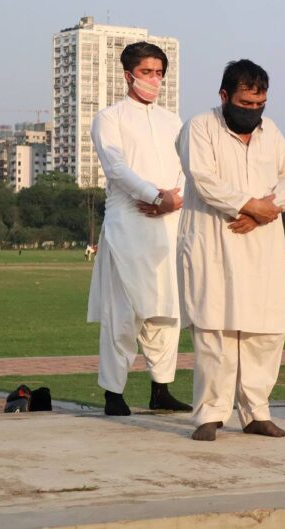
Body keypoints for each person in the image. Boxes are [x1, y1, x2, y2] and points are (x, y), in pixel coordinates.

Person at [176, 59, 285, 441]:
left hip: (262, 242)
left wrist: (264, 212)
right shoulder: (199, 127)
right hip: (217, 239)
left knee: (266, 330)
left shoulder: (271, 131)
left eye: (259, 104)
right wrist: (248, 204)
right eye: (244, 104)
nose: (252, 112)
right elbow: (204, 178)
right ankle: (210, 414)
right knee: (217, 329)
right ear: (224, 96)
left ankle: (255, 412)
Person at [87, 42, 191, 416]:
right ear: (128, 73)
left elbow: (186, 165)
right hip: (128, 221)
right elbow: (115, 168)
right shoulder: (109, 118)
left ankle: (161, 388)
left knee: (167, 309)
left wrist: (172, 198)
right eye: (147, 72)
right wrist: (150, 194)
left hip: (168, 223)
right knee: (122, 311)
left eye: (160, 73)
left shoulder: (173, 121)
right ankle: (113, 394)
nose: (154, 80)